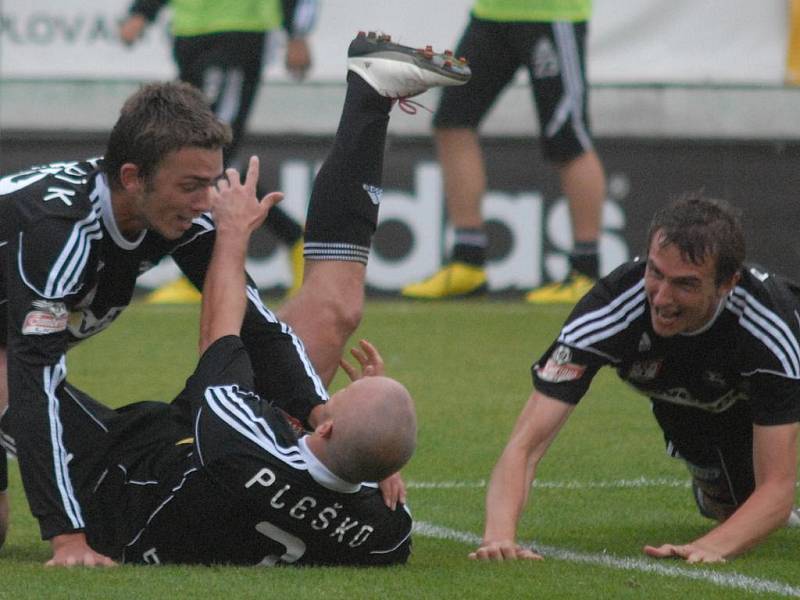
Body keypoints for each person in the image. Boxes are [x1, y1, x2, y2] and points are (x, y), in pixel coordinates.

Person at [0, 31, 469, 564]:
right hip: (30, 371)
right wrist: (67, 536)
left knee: (328, 316)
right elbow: (33, 376)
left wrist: (328, 422)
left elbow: (256, 326)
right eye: (191, 187)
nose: (206, 203)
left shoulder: (170, 208)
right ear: (133, 178)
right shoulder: (56, 230)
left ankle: (369, 97)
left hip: (150, 435)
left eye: (212, 183)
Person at [40, 147, 416, 566]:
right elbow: (371, 465)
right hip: (205, 479)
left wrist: (233, 234)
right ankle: (368, 104)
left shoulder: (240, 439)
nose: (322, 402)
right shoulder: (388, 535)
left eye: (332, 402)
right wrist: (378, 456)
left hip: (124, 481)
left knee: (10, 372)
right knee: (314, 329)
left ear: (326, 429)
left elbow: (220, 330)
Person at [471, 194, 800, 564]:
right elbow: (525, 445)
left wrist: (709, 547)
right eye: (655, 272)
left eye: (685, 284)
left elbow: (778, 489)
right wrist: (499, 537)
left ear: (727, 284)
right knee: (733, 509)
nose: (661, 298)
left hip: (783, 383)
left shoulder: (767, 326)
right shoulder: (612, 309)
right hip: (694, 399)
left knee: (757, 507)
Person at [401, 0, 607, 303]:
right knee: (452, 122)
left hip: (551, 13)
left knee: (569, 138)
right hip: (492, 12)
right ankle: (468, 261)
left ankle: (586, 271)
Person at [119, 0, 318, 298]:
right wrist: (142, 12)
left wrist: (297, 33)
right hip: (189, 33)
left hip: (239, 33)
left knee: (206, 151)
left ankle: (202, 270)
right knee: (205, 157)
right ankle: (296, 241)